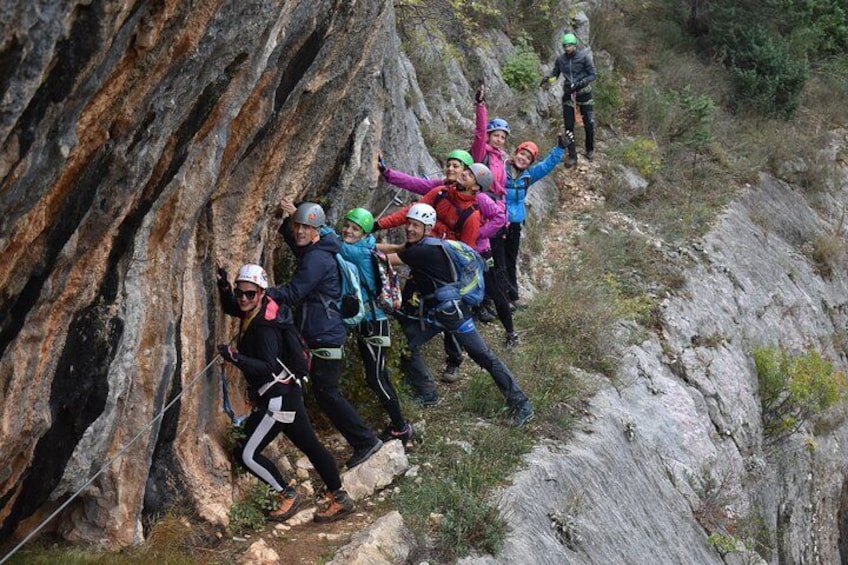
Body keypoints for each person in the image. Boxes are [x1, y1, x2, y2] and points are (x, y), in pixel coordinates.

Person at [216, 264, 354, 523]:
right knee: (310, 445)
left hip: (277, 398)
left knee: (245, 453)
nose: (243, 299)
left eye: (250, 294)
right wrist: (225, 287)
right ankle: (340, 497)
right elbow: (234, 308)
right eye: (240, 293)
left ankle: (286, 494)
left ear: (261, 293)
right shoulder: (263, 309)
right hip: (287, 391)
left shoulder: (264, 327)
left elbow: (267, 365)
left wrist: (236, 358)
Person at [378, 203, 535, 427]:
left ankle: (521, 404)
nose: (410, 229)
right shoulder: (426, 244)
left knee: (483, 356)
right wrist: (364, 244)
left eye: (416, 225)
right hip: (439, 312)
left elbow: (384, 259)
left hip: (451, 313)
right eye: (409, 224)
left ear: (427, 227)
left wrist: (354, 248)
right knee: (406, 346)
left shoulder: (422, 251)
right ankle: (428, 393)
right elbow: (397, 247)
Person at [268, 201, 383, 470]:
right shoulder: (320, 249)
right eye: (299, 226)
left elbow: (295, 292)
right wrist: (289, 223)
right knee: (323, 391)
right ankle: (361, 440)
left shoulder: (318, 257)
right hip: (324, 331)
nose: (301, 231)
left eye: (307, 227)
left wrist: (264, 292)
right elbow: (301, 251)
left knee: (327, 391)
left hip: (325, 333)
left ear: (317, 231)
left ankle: (365, 441)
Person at [338, 207, 415, 443]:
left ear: (364, 233)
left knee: (376, 378)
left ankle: (401, 426)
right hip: (369, 321)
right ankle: (398, 424)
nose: (349, 231)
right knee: (379, 375)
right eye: (348, 225)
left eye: (355, 228)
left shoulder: (355, 251)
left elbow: (330, 243)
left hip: (374, 323)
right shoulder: (367, 244)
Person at [504, 134, 571, 306]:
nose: (523, 159)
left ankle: (512, 295)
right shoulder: (501, 169)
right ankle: (498, 299)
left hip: (515, 224)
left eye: (528, 157)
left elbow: (546, 166)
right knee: (497, 261)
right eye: (522, 154)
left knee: (510, 260)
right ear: (516, 153)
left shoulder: (528, 175)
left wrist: (560, 149)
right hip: (498, 223)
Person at [541, 32, 597, 166]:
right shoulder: (561, 60)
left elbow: (593, 75)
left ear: (575, 45)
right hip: (569, 94)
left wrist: (581, 83)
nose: (567, 48)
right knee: (568, 126)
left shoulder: (584, 57)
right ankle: (572, 155)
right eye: (565, 46)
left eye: (570, 45)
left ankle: (590, 149)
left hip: (584, 94)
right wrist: (548, 78)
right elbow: (556, 74)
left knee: (589, 123)